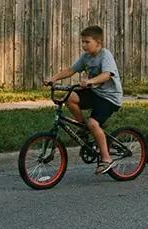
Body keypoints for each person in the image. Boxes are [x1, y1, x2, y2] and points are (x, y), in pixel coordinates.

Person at [44, 25, 123, 175]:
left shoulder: (105, 55)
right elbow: (71, 70)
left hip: (110, 97)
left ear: (98, 43)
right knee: (70, 97)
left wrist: (91, 81)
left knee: (94, 122)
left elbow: (107, 75)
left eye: (87, 42)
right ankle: (83, 126)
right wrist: (53, 79)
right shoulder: (85, 57)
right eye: (82, 42)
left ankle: (107, 159)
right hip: (95, 93)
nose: (84, 45)